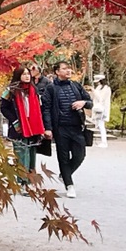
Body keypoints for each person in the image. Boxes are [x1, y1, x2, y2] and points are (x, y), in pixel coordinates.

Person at [41, 61, 92, 197]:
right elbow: (45, 109)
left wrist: (83, 103)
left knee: (80, 155)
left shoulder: (76, 86)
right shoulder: (51, 89)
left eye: (69, 68)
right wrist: (48, 128)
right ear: (57, 72)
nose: (68, 71)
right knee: (63, 157)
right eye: (64, 69)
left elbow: (90, 102)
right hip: (60, 128)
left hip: (76, 127)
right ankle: (69, 185)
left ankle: (65, 174)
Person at [0, 65, 48, 172]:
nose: (27, 76)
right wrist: (15, 121)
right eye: (24, 74)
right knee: (21, 152)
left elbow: (40, 108)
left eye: (28, 74)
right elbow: (3, 108)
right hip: (18, 125)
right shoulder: (11, 90)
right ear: (18, 76)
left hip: (33, 125)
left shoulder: (34, 90)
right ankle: (21, 180)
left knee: (31, 152)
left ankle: (30, 178)